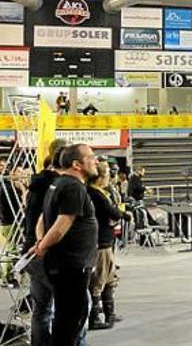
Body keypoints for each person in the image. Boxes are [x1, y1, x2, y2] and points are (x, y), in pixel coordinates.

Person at [32, 144, 99, 346]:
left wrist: (40, 241)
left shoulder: (58, 184)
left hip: (64, 265)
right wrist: (42, 246)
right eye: (91, 157)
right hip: (71, 267)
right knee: (69, 322)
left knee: (65, 320)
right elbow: (61, 225)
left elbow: (42, 220)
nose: (95, 160)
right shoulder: (73, 187)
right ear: (77, 164)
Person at [24, 139, 67, 346]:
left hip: (32, 249)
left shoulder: (36, 182)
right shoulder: (60, 185)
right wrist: (43, 244)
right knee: (67, 309)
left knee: (41, 310)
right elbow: (50, 221)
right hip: (49, 251)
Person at [86, 161, 130, 330]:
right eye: (107, 175)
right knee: (99, 279)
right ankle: (95, 316)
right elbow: (112, 211)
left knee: (110, 278)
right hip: (101, 241)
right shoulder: (95, 194)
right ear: (100, 177)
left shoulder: (100, 192)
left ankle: (109, 312)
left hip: (106, 238)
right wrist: (123, 215)